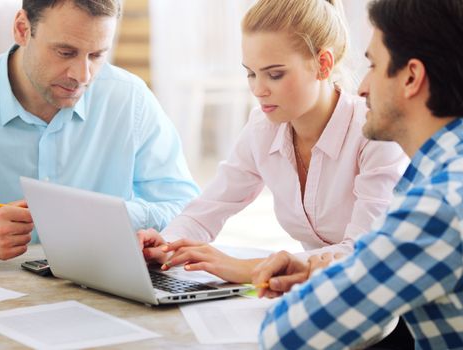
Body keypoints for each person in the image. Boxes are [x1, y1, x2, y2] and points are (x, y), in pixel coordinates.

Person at [253, 0, 463, 348]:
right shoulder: (450, 168)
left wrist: (322, 284)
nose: (361, 86)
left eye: (373, 64)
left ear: (411, 77)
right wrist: (332, 273)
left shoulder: (438, 203)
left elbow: (289, 334)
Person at [139, 0, 408, 284]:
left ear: (323, 64)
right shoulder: (262, 129)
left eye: (275, 74)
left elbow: (364, 254)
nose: (258, 89)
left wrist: (248, 268)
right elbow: (207, 210)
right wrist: (164, 246)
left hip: (388, 299)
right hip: (317, 289)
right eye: (251, 73)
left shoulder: (376, 133)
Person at [0, 0, 199, 261]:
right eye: (65, 52)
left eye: (97, 55)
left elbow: (186, 209)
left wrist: (108, 216)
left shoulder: (129, 99)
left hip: (99, 288)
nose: (83, 75)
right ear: (22, 29)